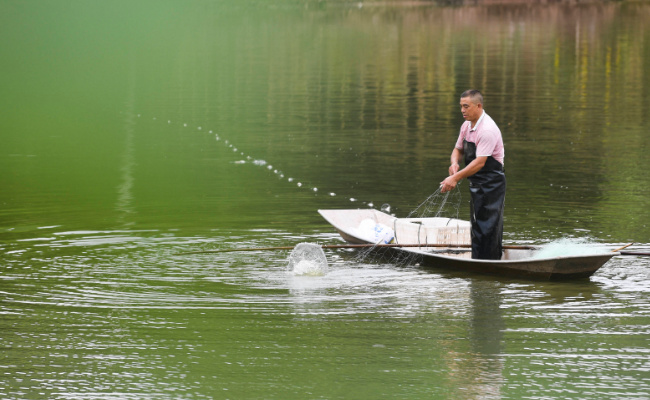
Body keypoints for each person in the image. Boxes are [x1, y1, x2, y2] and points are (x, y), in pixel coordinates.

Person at [440, 90, 506, 260]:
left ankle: (489, 261)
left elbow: (480, 162)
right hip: (476, 182)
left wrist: (455, 178)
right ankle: (478, 260)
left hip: (492, 183)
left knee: (489, 226)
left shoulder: (487, 130)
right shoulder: (466, 125)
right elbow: (458, 149)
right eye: (461, 106)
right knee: (477, 224)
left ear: (478, 106)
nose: (462, 110)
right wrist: (454, 163)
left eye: (466, 106)